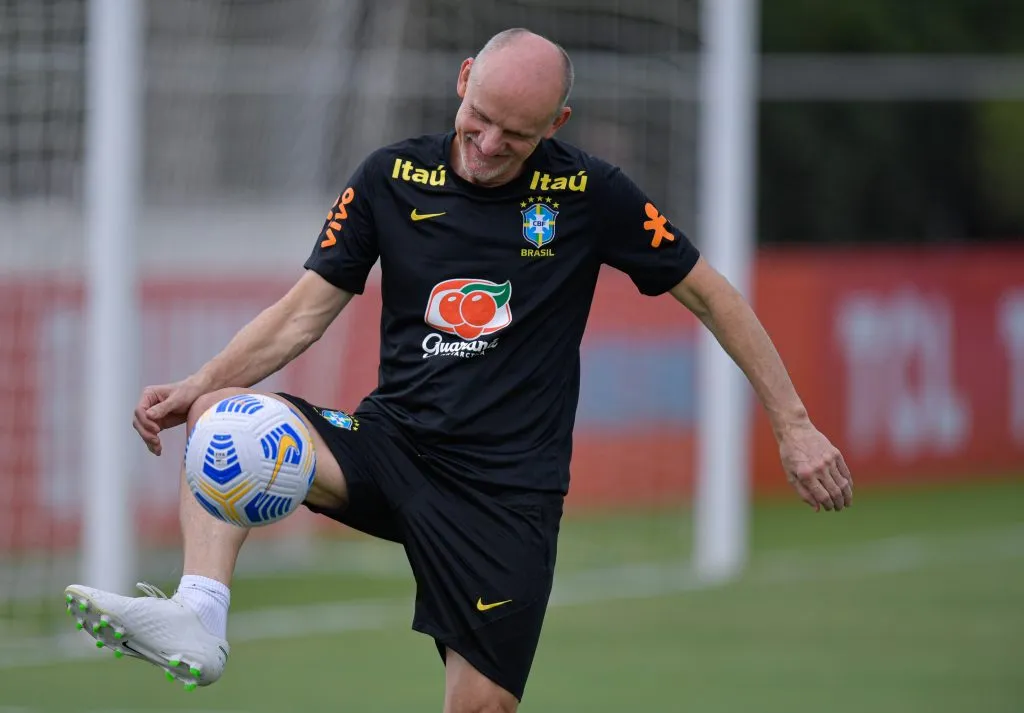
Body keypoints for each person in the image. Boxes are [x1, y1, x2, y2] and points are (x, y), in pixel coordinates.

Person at [65, 28, 852, 712]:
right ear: (463, 77)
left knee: (481, 707)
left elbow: (711, 293)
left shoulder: (588, 193)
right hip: (392, 447)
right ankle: (199, 613)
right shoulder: (390, 178)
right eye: (479, 117)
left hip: (504, 495)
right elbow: (304, 311)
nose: (487, 144)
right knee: (226, 421)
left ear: (556, 125)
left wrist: (792, 422)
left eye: (515, 134)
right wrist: (197, 384)